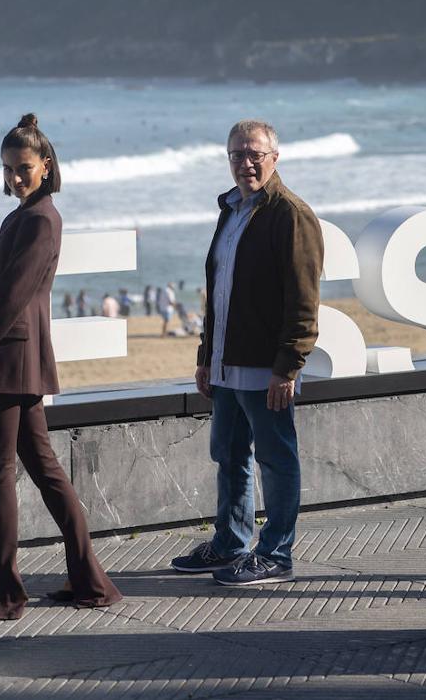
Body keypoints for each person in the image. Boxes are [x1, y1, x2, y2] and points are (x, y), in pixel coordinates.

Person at [0, 114, 122, 621]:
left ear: (45, 166)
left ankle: (7, 594)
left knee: (1, 476)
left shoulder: (40, 218)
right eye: (7, 169)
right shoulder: (28, 214)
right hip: (15, 361)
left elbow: (7, 298)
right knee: (44, 472)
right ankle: (89, 581)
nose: (14, 178)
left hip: (4, 362)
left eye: (22, 168)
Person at [170, 119, 323, 586]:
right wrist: (204, 356)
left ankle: (276, 553)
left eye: (255, 153)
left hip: (265, 368)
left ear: (275, 157)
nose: (246, 162)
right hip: (224, 364)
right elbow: (218, 291)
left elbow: (303, 300)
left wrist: (288, 367)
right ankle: (230, 542)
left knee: (276, 459)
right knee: (229, 454)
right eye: (237, 154)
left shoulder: (291, 215)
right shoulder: (231, 210)